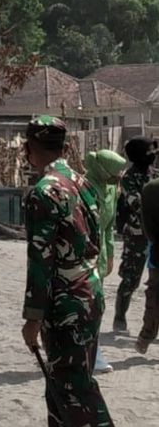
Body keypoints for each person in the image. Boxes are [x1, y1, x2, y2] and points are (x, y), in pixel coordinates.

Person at [20, 115, 120, 427]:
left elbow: (40, 260)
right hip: (90, 293)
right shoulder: (83, 181)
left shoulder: (43, 192)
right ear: (64, 147)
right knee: (62, 375)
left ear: (29, 148)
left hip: (64, 302)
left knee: (73, 382)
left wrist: (33, 316)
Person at [84, 150, 126, 374]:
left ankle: (92, 352)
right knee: (90, 307)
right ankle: (93, 354)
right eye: (115, 171)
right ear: (102, 169)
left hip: (98, 257)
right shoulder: (83, 187)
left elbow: (109, 227)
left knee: (96, 306)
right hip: (81, 256)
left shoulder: (111, 190)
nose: (118, 175)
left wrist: (109, 255)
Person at [114, 136, 159, 333]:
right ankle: (119, 317)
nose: (154, 156)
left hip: (155, 235)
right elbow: (137, 204)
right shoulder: (128, 178)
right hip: (137, 235)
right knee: (131, 279)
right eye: (150, 153)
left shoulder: (153, 174)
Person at [136, 176, 159, 354]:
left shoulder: (151, 188)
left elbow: (148, 227)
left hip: (157, 253)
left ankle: (146, 336)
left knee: (154, 294)